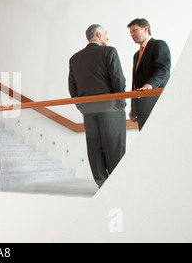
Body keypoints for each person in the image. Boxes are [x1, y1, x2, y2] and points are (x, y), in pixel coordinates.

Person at [68, 24, 127, 188]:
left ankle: (102, 184)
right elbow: (118, 80)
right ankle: (117, 186)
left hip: (89, 111)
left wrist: (83, 108)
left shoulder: (75, 58)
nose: (107, 37)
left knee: (95, 149)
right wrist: (120, 104)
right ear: (99, 34)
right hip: (111, 109)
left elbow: (72, 89)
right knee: (115, 147)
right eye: (106, 34)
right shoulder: (109, 51)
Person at [127, 18, 171, 131]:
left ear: (145, 29)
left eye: (134, 30)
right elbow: (135, 81)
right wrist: (134, 106)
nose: (131, 34)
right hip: (141, 105)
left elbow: (163, 69)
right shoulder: (136, 55)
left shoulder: (158, 45)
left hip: (156, 101)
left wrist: (149, 85)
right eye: (130, 32)